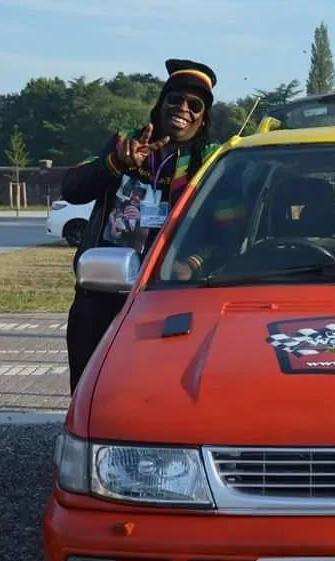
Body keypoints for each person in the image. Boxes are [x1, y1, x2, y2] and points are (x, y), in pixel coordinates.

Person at [62, 58, 222, 392]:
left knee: (160, 394)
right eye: (174, 99)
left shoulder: (211, 159)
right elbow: (72, 189)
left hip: (173, 298)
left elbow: (229, 230)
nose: (183, 109)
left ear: (204, 116)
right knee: (91, 392)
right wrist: (116, 163)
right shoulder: (125, 142)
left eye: (195, 105)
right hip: (104, 293)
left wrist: (193, 264)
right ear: (160, 103)